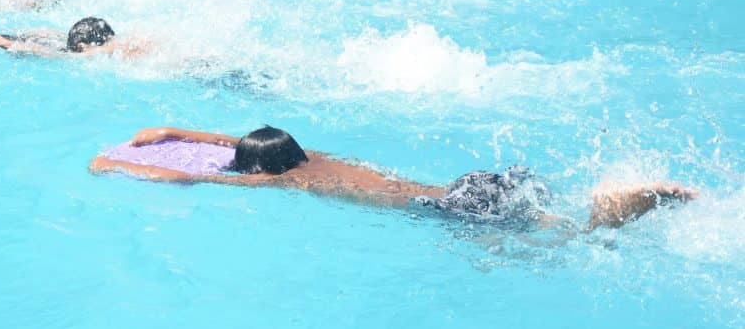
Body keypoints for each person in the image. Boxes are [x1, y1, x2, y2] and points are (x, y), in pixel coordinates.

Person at [90, 125, 698, 231]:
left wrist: (116, 162)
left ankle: (615, 209)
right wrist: (178, 129)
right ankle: (627, 201)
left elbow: (184, 182)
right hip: (467, 183)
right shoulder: (315, 158)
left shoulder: (281, 183)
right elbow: (235, 139)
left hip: (450, 211)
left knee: (564, 243)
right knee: (545, 218)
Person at [0, 16, 153, 59]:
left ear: (82, 47)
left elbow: (58, 55)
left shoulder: (97, 52)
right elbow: (52, 34)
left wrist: (9, 43)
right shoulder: (112, 40)